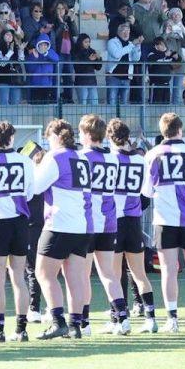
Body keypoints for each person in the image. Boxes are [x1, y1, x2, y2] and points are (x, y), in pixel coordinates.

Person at [141, 113, 185, 333]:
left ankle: (172, 319)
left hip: (164, 220)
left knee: (168, 270)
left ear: (163, 132)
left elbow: (146, 191)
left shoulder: (152, 155)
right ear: (180, 130)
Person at [28, 119, 91, 339]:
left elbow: (36, 187)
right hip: (82, 225)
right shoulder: (82, 156)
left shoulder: (55, 157)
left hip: (60, 223)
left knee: (43, 273)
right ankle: (75, 325)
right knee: (75, 277)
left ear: (54, 136)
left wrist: (36, 165)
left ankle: (58, 321)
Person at [0, 121, 37, 342]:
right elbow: (30, 193)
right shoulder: (25, 161)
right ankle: (21, 330)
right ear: (11, 137)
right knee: (18, 277)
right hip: (20, 221)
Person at [76, 115, 127, 336]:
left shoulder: (81, 157)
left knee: (83, 275)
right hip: (109, 221)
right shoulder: (114, 158)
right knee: (109, 274)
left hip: (88, 222)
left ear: (87, 134)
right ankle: (123, 319)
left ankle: (84, 324)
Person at [107, 119, 159, 334]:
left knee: (114, 273)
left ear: (110, 138)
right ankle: (150, 318)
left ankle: (120, 319)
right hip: (134, 220)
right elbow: (147, 192)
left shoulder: (110, 159)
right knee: (139, 273)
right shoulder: (140, 160)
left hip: (115, 220)